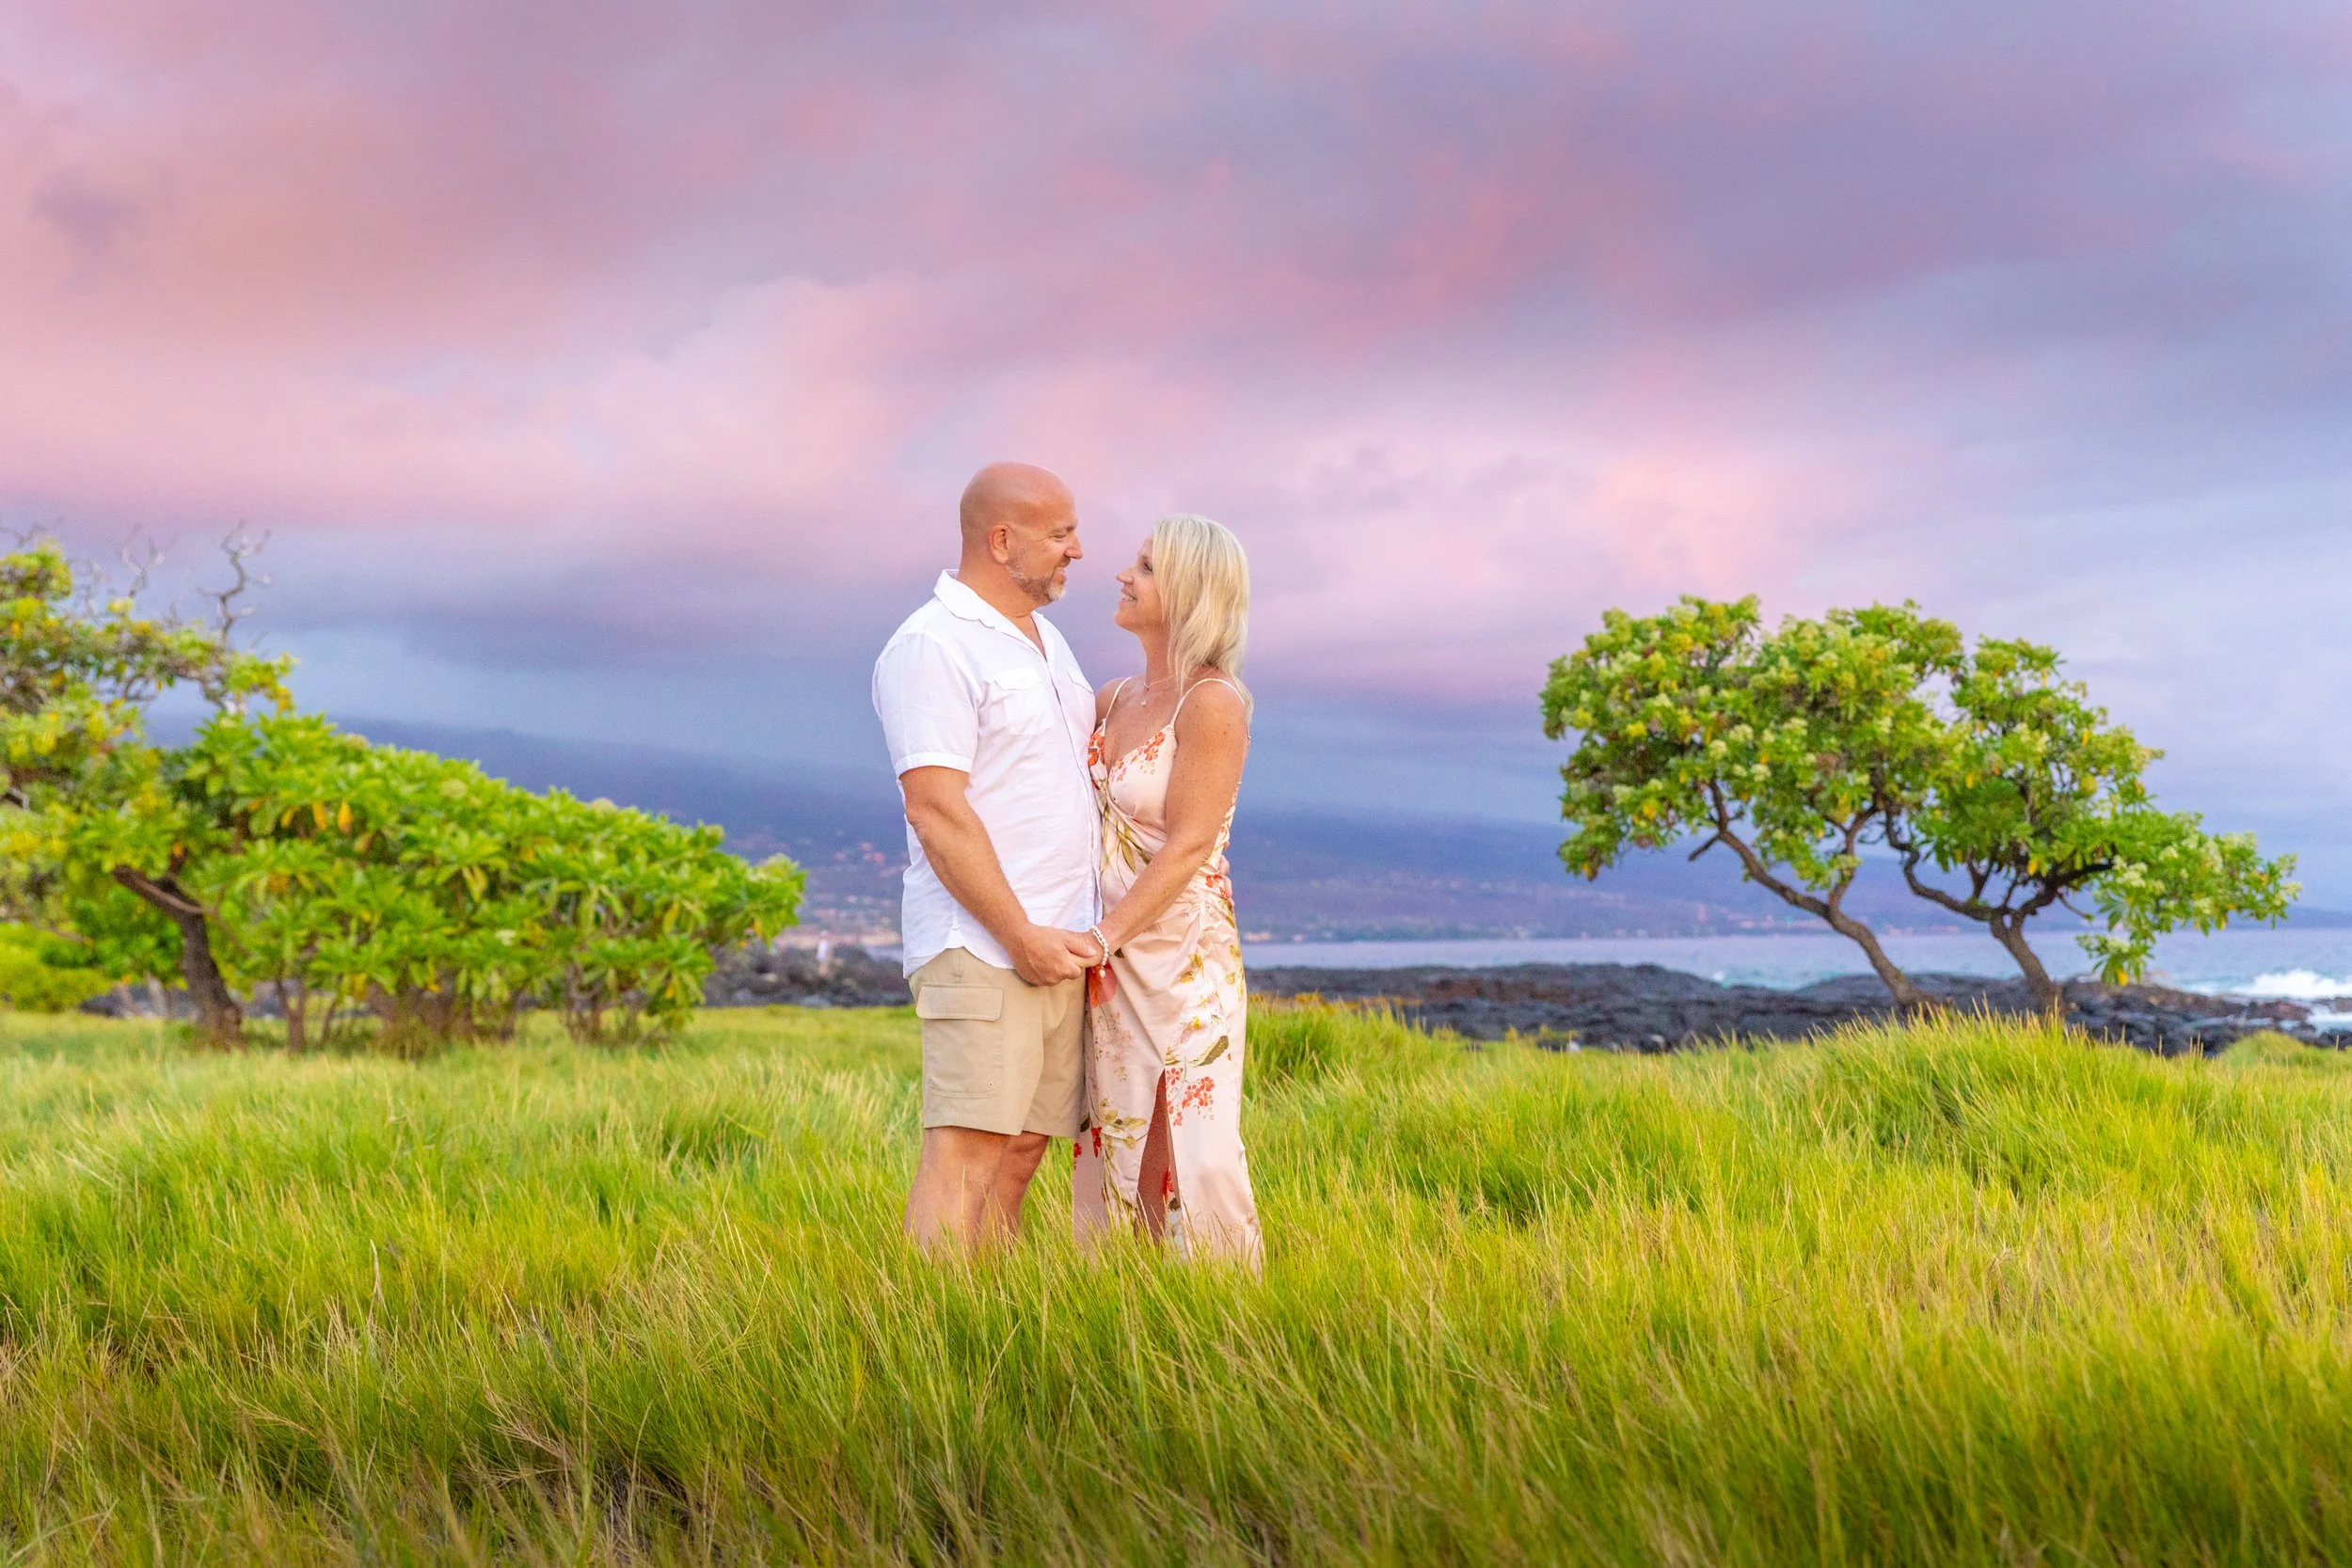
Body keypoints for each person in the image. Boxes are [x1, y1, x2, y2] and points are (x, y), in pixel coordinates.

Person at [872, 462, 1103, 1252]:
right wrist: (1018, 932)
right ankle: (927, 1344)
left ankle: (987, 1329)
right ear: (1002, 540)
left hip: (1059, 941)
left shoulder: (1049, 643)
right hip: (983, 942)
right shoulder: (932, 645)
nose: (1079, 548)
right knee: (968, 1150)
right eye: (1062, 531)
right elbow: (935, 808)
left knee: (1022, 1154)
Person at [1073, 515, 1263, 1268]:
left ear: (1188, 592)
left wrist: (1102, 937)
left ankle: (1228, 1322)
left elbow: (1187, 843)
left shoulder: (1214, 703)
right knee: (1121, 1144)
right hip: (1113, 962)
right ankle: (1131, 1315)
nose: (1125, 574)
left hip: (1184, 962)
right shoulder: (1113, 696)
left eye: (1147, 567)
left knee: (1197, 1149)